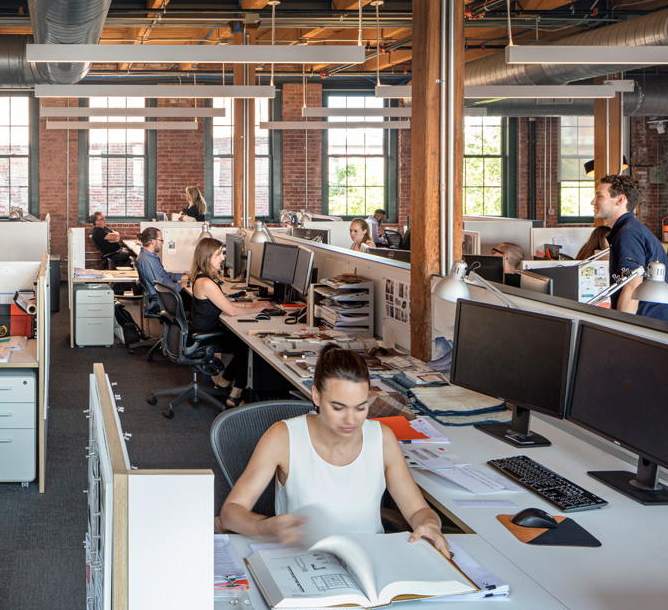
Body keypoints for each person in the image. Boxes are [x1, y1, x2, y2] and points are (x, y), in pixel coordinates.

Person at [219, 344, 450, 556]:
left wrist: (429, 523)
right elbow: (231, 513)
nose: (350, 419)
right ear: (316, 395)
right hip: (303, 560)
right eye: (338, 407)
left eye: (360, 407)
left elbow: (418, 510)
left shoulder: (382, 438)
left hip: (370, 558)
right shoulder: (283, 437)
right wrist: (265, 526)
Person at [189, 237, 272, 409]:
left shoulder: (201, 278)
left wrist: (255, 305)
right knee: (248, 345)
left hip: (202, 331)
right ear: (206, 258)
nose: (222, 258)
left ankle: (224, 383)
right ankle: (235, 395)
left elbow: (226, 304)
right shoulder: (206, 283)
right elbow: (232, 311)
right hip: (205, 336)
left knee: (242, 344)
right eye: (218, 255)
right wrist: (256, 308)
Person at [592, 174, 668, 322]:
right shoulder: (630, 229)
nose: (593, 202)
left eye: (599, 196)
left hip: (647, 325)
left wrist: (621, 330)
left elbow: (631, 286)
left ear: (620, 200)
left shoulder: (628, 234)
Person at [134, 227, 187, 293]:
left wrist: (184, 277)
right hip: (163, 297)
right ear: (153, 241)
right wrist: (186, 284)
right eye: (161, 240)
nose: (162, 243)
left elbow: (164, 275)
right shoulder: (147, 260)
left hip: (166, 293)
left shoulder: (151, 256)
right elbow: (160, 286)